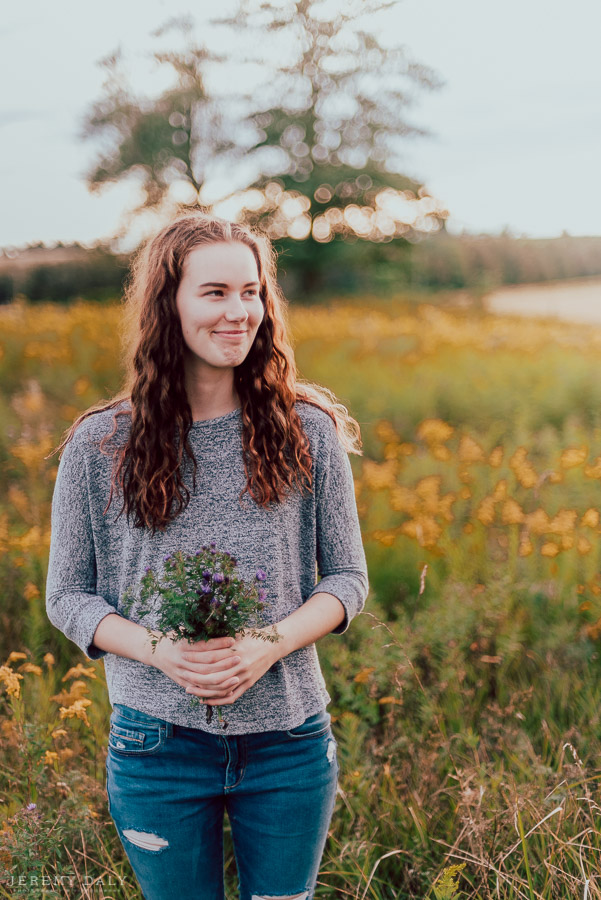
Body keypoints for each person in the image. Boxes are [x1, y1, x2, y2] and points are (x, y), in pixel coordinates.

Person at [45, 211, 369, 900]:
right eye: (215, 292)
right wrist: (160, 650)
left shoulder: (306, 429)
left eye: (251, 292)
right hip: (155, 749)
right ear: (170, 304)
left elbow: (347, 580)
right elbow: (67, 597)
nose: (239, 311)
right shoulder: (99, 445)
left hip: (288, 743)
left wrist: (266, 644)